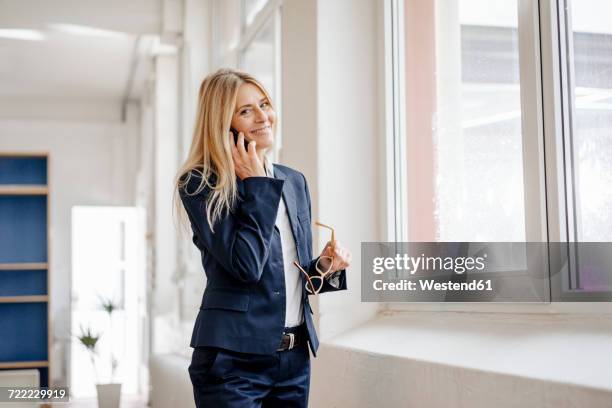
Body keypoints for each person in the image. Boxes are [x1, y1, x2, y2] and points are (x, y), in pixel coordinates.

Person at [174, 68, 351, 407]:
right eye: (245, 110)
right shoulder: (200, 184)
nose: (263, 116)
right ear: (222, 124)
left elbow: (288, 278)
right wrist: (257, 186)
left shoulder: (293, 181)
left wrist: (326, 266)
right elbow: (246, 267)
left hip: (294, 359)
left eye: (264, 104)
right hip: (232, 364)